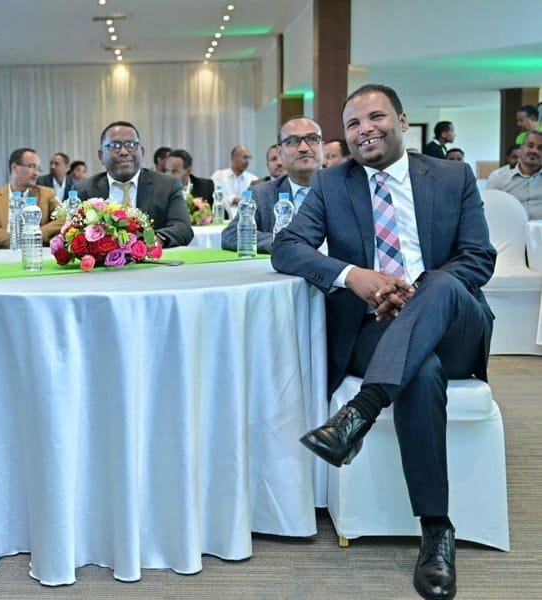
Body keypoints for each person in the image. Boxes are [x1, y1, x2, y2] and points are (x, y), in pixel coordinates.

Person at [272, 84, 496, 600]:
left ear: (402, 121)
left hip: (456, 324)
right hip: (377, 328)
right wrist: (354, 276)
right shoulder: (331, 183)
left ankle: (359, 412)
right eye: (353, 124)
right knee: (420, 371)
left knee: (439, 283)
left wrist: (417, 297)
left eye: (376, 117)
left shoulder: (452, 176)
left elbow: (478, 258)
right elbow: (287, 247)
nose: (364, 130)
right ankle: (437, 530)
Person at [77, 121, 193, 247]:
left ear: (142, 152)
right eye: (115, 146)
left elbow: (183, 228)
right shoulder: (84, 190)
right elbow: (72, 232)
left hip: (153, 258)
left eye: (131, 145)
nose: (124, 152)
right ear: (101, 156)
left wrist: (154, 240)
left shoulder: (167, 186)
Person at [221, 116, 323, 254]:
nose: (304, 148)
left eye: (312, 139)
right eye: (293, 141)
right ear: (280, 152)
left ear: (322, 146)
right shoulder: (261, 194)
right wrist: (285, 243)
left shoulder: (343, 188)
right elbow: (231, 235)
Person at [0, 147, 64, 249]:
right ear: (14, 167)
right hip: (2, 251)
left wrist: (35, 234)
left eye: (38, 168)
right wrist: (17, 240)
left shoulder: (46, 194)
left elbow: (64, 218)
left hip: (35, 251)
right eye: (31, 166)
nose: (36, 173)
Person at [486, 130, 542, 220]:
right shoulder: (498, 177)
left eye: (540, 148)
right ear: (521, 148)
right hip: (509, 227)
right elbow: (490, 210)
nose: (534, 151)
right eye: (530, 145)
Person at [211, 144, 258, 218]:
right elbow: (214, 197)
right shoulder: (218, 176)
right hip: (222, 217)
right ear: (233, 158)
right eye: (245, 157)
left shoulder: (253, 179)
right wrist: (233, 199)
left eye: (249, 158)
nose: (247, 161)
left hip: (245, 218)